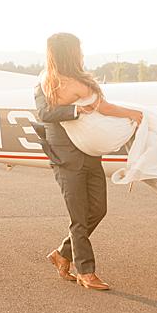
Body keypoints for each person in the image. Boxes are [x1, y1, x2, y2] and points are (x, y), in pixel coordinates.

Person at [34, 32, 142, 291]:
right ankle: (86, 271)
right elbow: (44, 113)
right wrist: (76, 110)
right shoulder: (44, 84)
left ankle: (62, 253)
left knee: (98, 209)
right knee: (79, 216)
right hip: (65, 157)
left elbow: (103, 107)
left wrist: (134, 114)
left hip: (89, 152)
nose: (82, 55)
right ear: (68, 53)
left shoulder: (82, 81)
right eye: (78, 50)